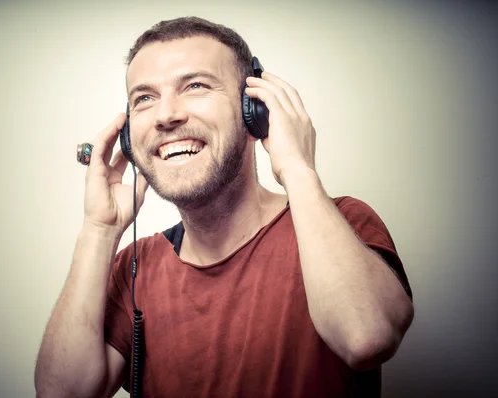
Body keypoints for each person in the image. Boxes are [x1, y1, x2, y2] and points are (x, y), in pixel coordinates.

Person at [34, 16, 414, 398]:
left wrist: (297, 167)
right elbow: (61, 394)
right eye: (145, 98)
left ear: (255, 111)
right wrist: (99, 230)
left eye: (195, 86)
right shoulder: (135, 267)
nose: (166, 116)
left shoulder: (342, 223)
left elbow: (368, 336)